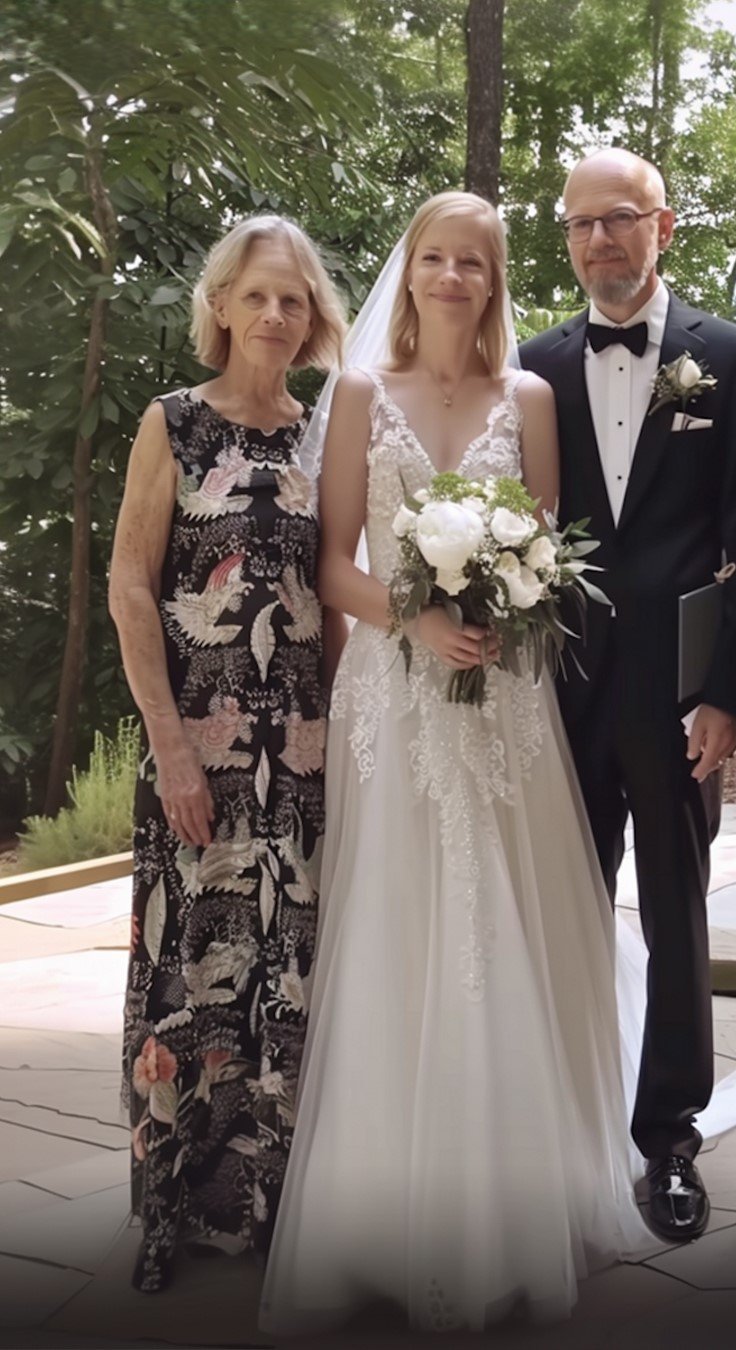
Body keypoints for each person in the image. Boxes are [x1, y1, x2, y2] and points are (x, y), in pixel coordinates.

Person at [259, 191, 648, 1337]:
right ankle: (386, 1217)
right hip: (393, 687)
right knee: (398, 926)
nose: (451, 277)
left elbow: (544, 551)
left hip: (501, 698)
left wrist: (495, 612)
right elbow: (331, 563)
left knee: (503, 926)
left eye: (472, 262)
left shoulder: (528, 398)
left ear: (492, 279)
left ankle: (514, 1202)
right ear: (410, 269)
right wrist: (416, 619)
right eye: (434, 257)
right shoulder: (359, 396)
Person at [519, 149, 736, 1240]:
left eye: (618, 220)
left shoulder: (735, 357)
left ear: (662, 226)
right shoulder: (533, 364)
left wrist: (724, 695)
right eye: (579, 225)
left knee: (675, 914)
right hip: (560, 691)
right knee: (559, 908)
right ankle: (563, 1124)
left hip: (678, 702)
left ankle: (670, 1138)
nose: (599, 243)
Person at [108, 215, 347, 1292]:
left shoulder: (324, 435)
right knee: (187, 974)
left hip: (295, 763)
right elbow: (130, 586)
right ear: (220, 305)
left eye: (293, 300)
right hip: (196, 755)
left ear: (314, 319)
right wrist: (170, 749)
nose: (273, 315)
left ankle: (260, 1209)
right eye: (256, 295)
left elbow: (332, 603)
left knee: (280, 981)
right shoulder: (175, 426)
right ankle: (167, 1209)